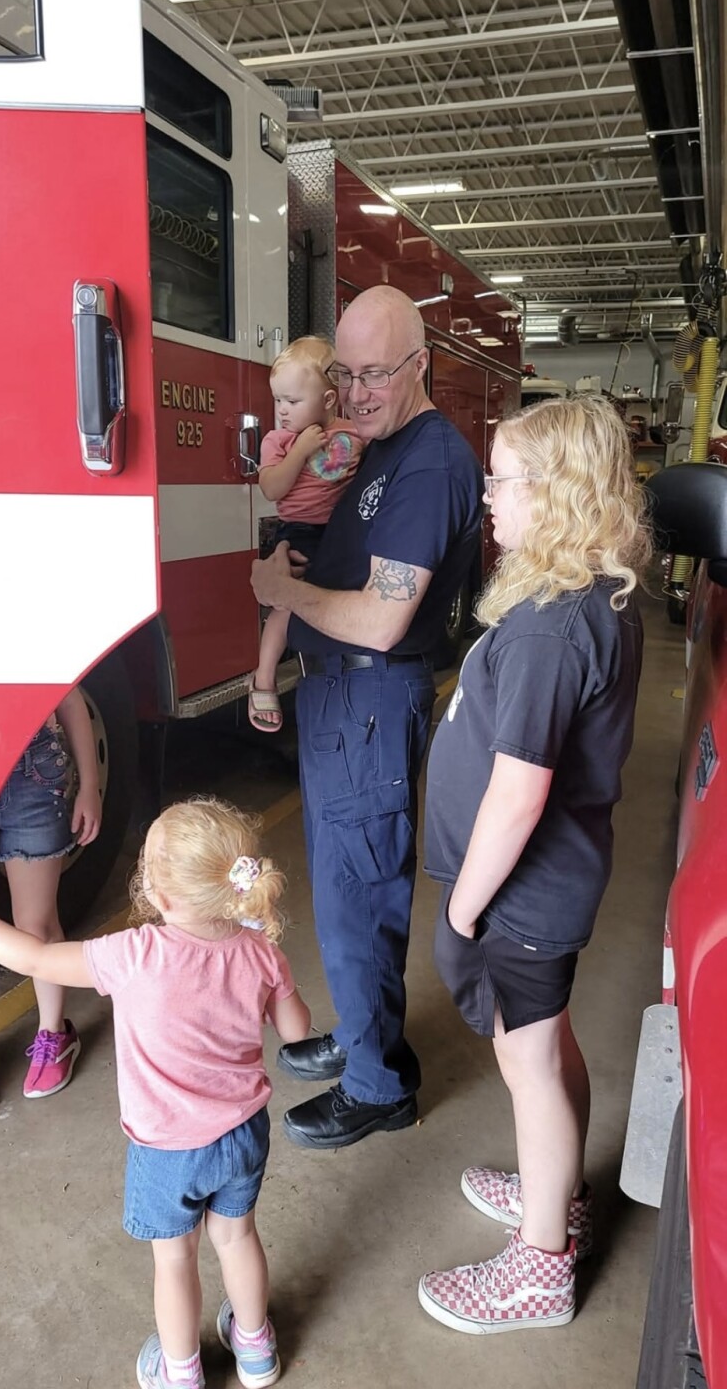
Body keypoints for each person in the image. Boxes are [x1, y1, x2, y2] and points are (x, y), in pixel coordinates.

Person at [417, 395, 650, 1335]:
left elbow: (518, 796)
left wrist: (466, 911)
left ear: (553, 493)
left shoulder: (557, 625)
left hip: (519, 899)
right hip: (545, 891)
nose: (488, 498)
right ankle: (560, 1196)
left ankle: (540, 1266)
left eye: (501, 480)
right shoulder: (588, 596)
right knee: (547, 1048)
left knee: (530, 1067)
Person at [251, 285, 484, 1150]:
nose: (352, 393)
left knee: (358, 895)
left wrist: (283, 591)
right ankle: (363, 1039)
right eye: (342, 374)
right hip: (341, 695)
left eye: (374, 374)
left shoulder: (429, 463)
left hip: (371, 693)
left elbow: (385, 618)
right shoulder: (381, 446)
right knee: (344, 885)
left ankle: (378, 1085)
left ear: (421, 365)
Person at [0, 797, 311, 1389]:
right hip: (243, 1134)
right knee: (237, 1237)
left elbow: (34, 954)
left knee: (174, 1258)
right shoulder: (262, 952)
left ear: (159, 897)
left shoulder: (134, 955)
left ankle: (182, 1370)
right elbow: (295, 1032)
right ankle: (256, 1349)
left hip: (166, 1150)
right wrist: (279, 978)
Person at [248, 335, 362, 732]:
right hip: (298, 531)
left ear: (329, 401)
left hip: (342, 530)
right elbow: (272, 488)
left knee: (339, 600)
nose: (282, 411)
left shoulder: (352, 433)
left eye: (293, 402)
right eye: (278, 400)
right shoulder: (278, 441)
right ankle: (264, 678)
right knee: (285, 604)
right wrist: (298, 452)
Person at [0, 687, 101, 1097]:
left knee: (35, 924)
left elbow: (68, 696)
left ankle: (54, 1034)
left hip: (30, 771)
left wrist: (89, 785)